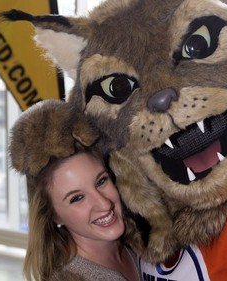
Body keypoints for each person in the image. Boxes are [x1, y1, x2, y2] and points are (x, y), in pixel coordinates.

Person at [8, 102, 140, 281]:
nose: (104, 204)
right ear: (55, 216)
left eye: (101, 181)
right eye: (77, 198)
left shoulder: (141, 241)